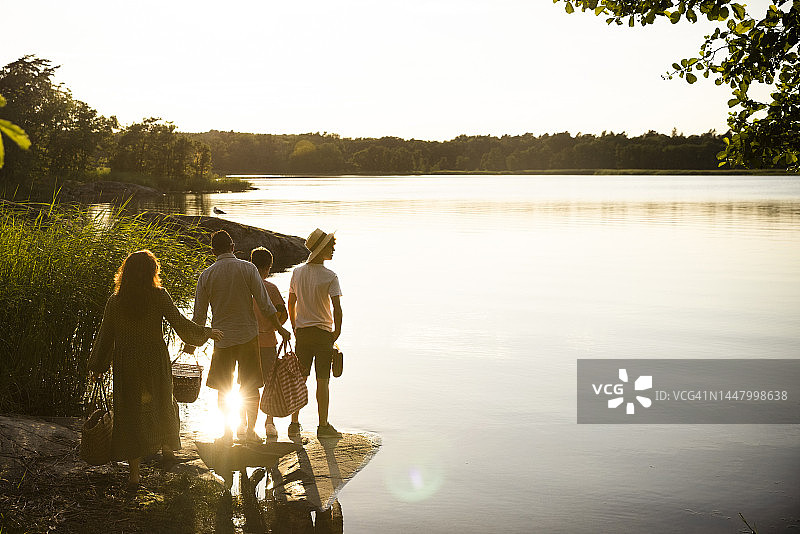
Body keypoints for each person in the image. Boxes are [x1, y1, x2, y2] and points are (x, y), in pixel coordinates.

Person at [88, 250, 223, 491]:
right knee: (163, 401)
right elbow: (180, 323)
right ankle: (167, 450)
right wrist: (206, 332)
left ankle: (134, 475)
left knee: (130, 410)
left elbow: (105, 336)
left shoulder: (115, 301)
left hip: (127, 362)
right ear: (153, 273)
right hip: (154, 360)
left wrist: (98, 367)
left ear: (125, 273)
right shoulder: (159, 296)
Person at [185, 230, 291, 444]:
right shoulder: (248, 268)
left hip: (221, 339)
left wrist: (192, 343)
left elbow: (199, 316)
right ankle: (251, 432)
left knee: (224, 388)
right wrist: (280, 329)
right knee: (250, 387)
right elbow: (265, 304)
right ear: (233, 247)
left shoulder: (206, 275)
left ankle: (227, 433)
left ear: (213, 251)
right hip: (248, 337)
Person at [288, 228, 343, 439]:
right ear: (322, 250)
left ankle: (294, 423)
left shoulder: (297, 272)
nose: (334, 249)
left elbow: (291, 302)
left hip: (302, 333)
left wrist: (295, 327)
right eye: (331, 246)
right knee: (323, 381)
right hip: (322, 335)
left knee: (300, 379)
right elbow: (337, 307)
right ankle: (323, 425)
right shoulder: (330, 276)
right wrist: (336, 332)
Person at [246, 246, 291, 439]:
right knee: (269, 384)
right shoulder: (271, 289)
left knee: (247, 384)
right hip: (267, 343)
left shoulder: (244, 287)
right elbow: (283, 314)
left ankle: (244, 424)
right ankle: (269, 422)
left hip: (246, 342)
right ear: (268, 267)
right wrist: (276, 326)